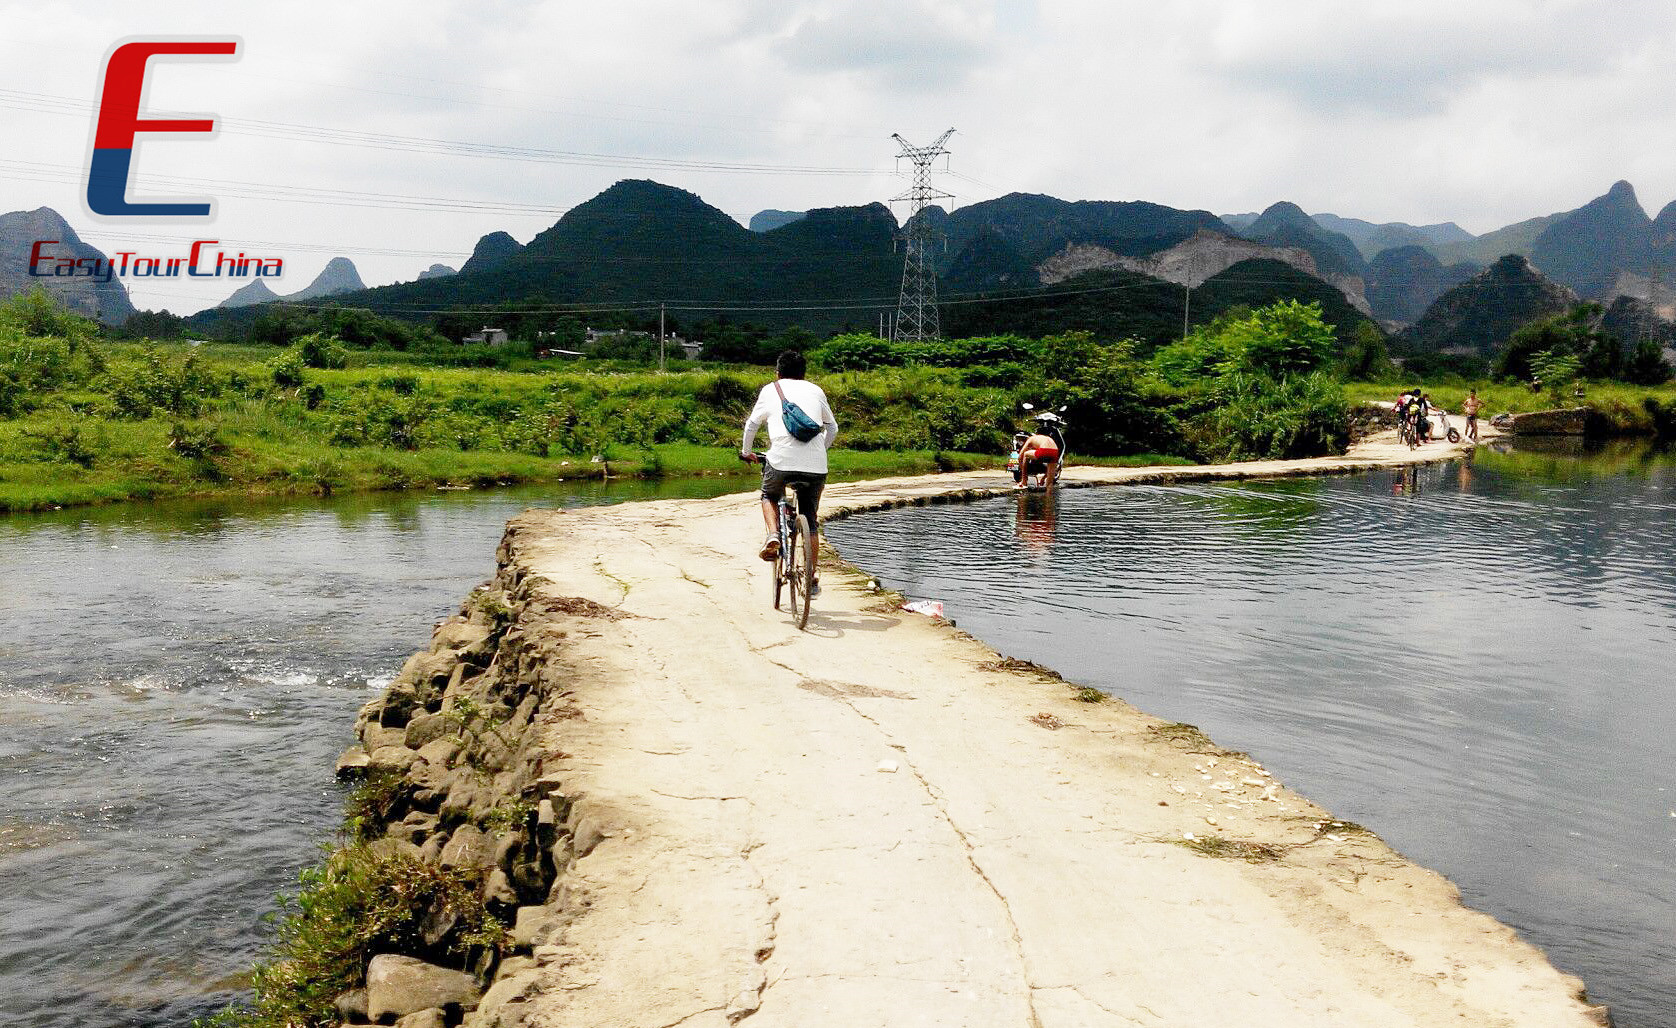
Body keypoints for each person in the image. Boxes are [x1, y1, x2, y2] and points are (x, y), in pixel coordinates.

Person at [740, 350, 838, 595]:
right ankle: (812, 573)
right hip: (816, 466)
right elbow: (832, 428)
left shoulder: (770, 390)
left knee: (769, 496)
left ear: (778, 372)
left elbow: (752, 424)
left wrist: (746, 451)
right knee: (811, 520)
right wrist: (820, 451)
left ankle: (773, 535)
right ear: (804, 374)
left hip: (781, 461)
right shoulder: (816, 390)